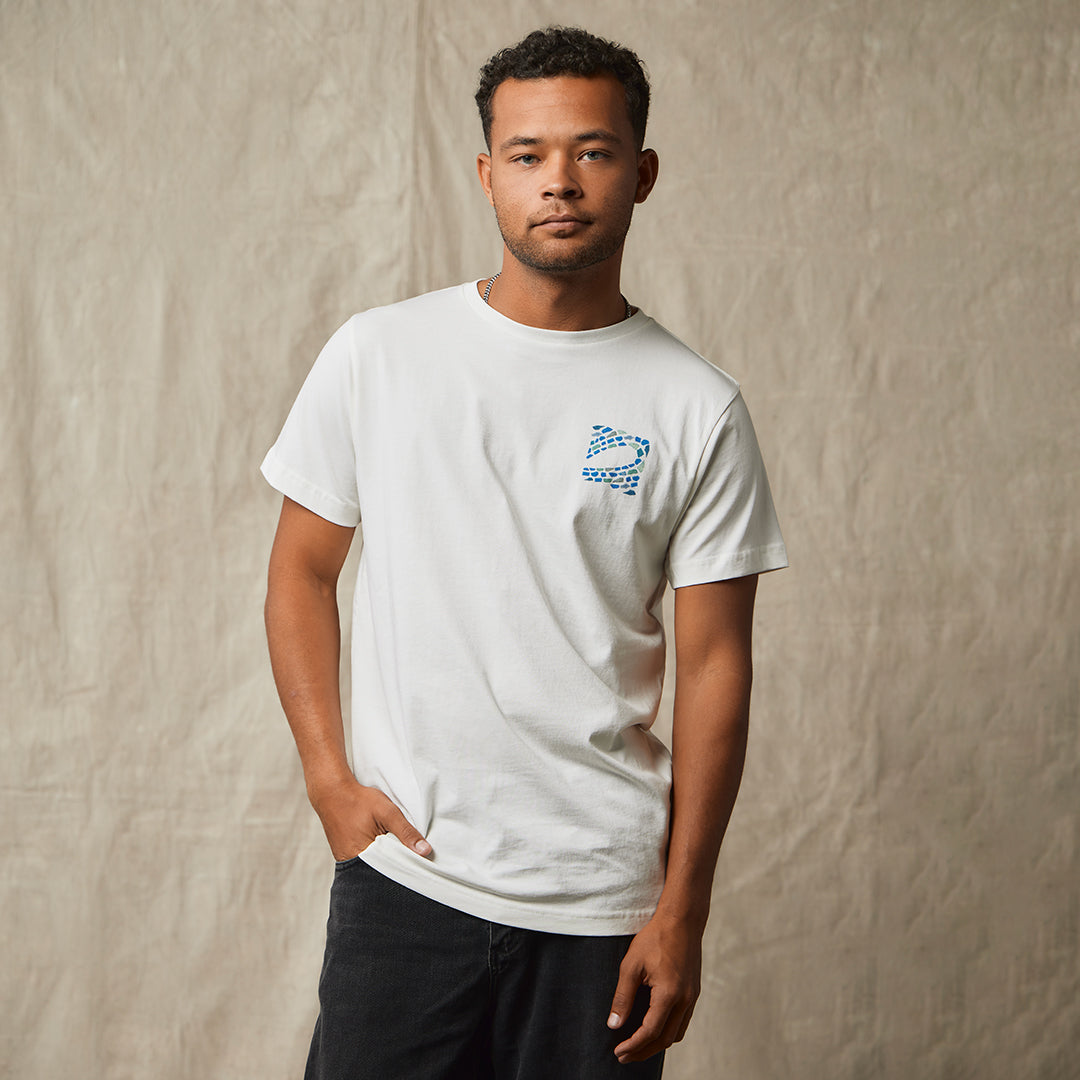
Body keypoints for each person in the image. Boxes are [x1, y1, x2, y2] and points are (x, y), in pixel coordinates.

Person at [262, 25, 787, 1080]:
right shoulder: (381, 354)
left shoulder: (696, 407)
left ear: (642, 173)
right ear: (486, 173)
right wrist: (328, 779)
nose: (559, 181)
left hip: (603, 907)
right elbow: (301, 572)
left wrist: (682, 911)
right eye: (527, 153)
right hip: (408, 881)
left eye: (592, 151)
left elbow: (715, 666)